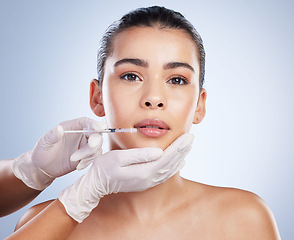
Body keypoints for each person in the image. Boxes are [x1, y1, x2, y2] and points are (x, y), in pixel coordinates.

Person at [6, 6, 281, 239]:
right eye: (131, 76)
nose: (153, 98)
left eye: (177, 80)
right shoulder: (44, 224)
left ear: (200, 105)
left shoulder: (245, 220)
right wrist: (35, 172)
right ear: (97, 97)